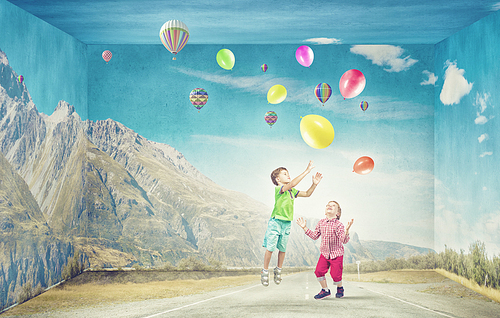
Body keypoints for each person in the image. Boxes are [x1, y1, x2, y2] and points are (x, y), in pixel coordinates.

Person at [261, 161, 323, 287]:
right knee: (271, 248)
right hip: (276, 221)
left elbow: (307, 194)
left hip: (286, 223)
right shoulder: (280, 189)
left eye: (288, 173)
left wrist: (314, 184)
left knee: (282, 249)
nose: (288, 175)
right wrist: (306, 171)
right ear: (278, 179)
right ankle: (265, 271)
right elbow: (292, 183)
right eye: (285, 174)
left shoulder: (292, 191)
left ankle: (278, 270)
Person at [296, 201, 354, 299]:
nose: (329, 206)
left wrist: (347, 231)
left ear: (337, 213)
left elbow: (344, 240)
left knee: (335, 275)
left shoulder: (339, 225)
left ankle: (340, 288)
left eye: (333, 205)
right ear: (325, 212)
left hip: (337, 254)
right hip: (324, 253)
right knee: (318, 271)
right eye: (328, 205)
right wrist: (304, 228)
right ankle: (325, 290)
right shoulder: (321, 223)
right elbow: (315, 236)